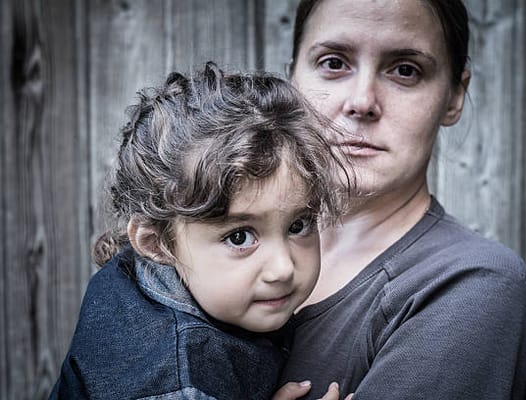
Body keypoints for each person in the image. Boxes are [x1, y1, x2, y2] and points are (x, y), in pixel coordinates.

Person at [273, 0, 526, 399]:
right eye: (334, 62)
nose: (362, 101)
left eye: (405, 70)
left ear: (454, 96)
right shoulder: (209, 243)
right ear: (291, 77)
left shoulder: (472, 289)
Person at [50, 62, 351, 400]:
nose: (283, 267)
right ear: (157, 242)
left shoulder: (149, 278)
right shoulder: (177, 380)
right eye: (239, 237)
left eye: (299, 225)